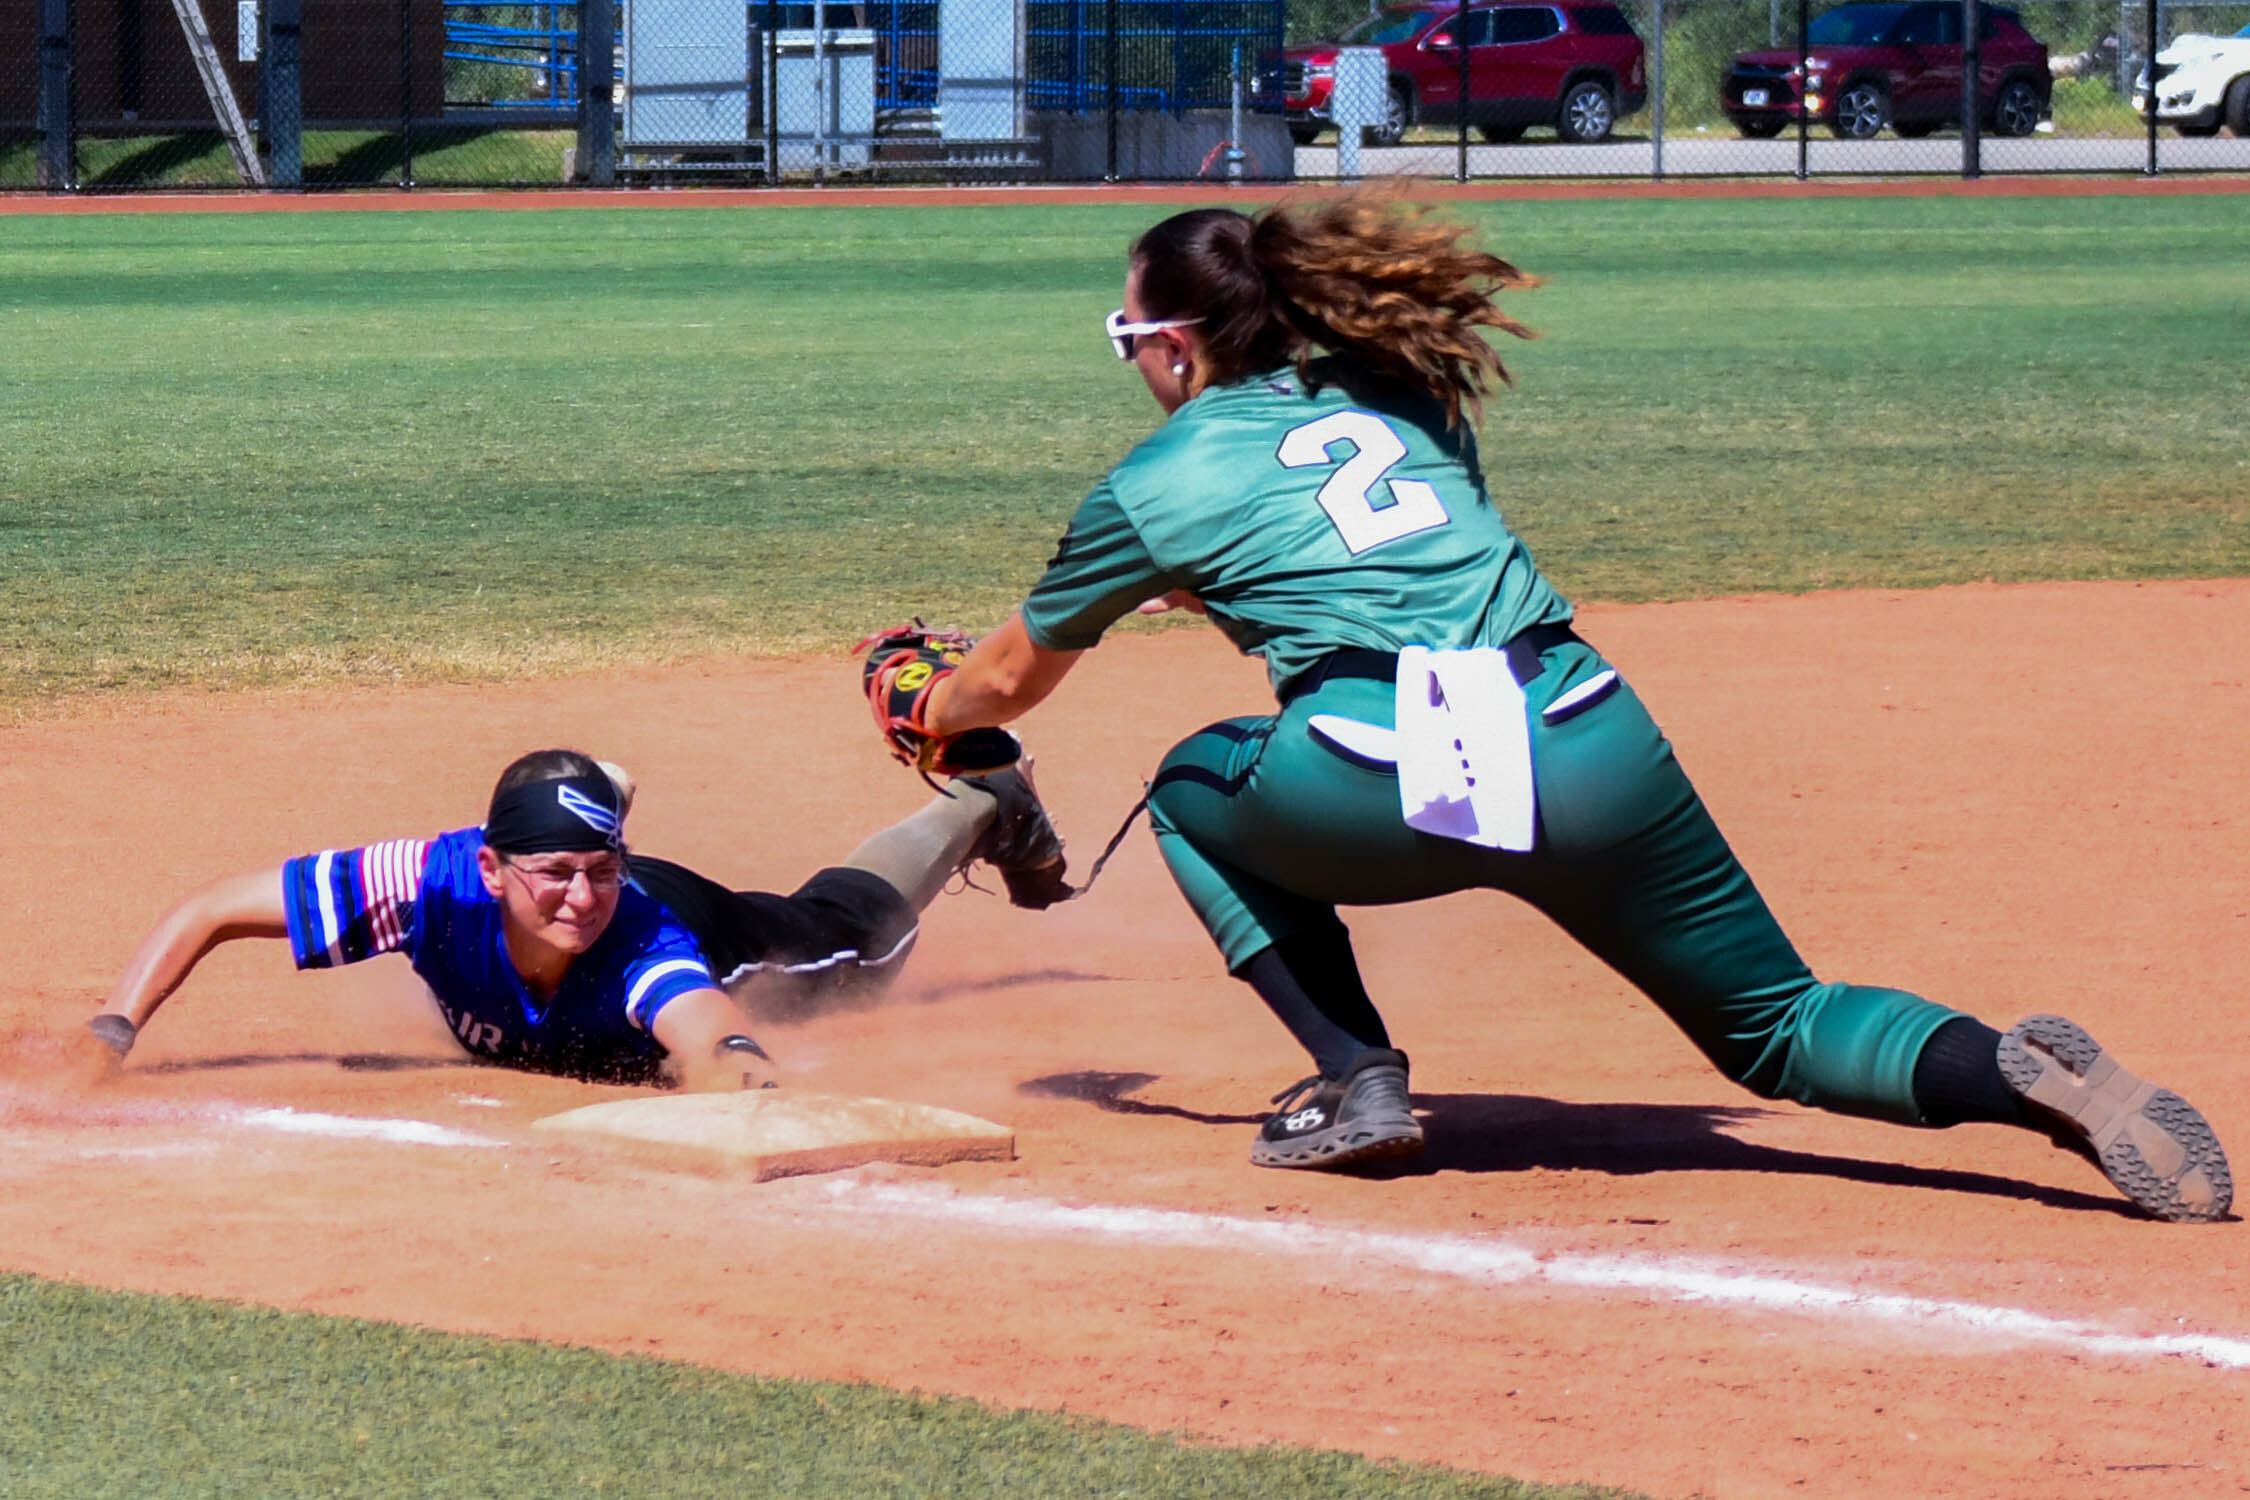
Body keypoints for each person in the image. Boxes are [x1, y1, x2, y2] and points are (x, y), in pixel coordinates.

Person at [893, 198, 2231, 1223]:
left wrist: (920, 704)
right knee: (1779, 1027)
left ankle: (1357, 1078)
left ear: (1174, 348)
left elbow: (1006, 680)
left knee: (1192, 784)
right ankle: (2015, 1077)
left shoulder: (1160, 477)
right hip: (1584, 729)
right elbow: (1370, 543)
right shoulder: (1398, 387)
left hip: (1385, 767)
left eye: (1133, 340)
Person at [82, 748, 1067, 1090]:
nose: (579, 896)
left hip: (711, 923)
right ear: (489, 867)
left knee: (846, 931)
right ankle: (597, 799)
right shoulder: (425, 885)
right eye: (554, 873)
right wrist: (112, 1031)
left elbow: (712, 1035)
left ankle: (982, 800)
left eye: (597, 869)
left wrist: (740, 1082)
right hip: (559, 890)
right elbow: (210, 910)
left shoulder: (645, 947)